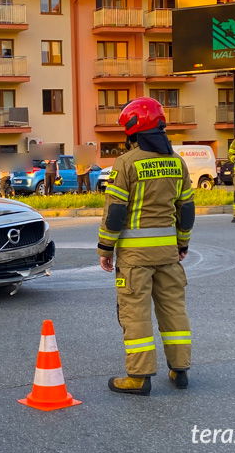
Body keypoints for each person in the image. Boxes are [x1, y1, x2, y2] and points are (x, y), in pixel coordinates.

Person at [97, 96, 195, 396]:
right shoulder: (177, 162)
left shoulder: (127, 163)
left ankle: (139, 378)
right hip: (168, 253)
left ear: (134, 130)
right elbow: (186, 209)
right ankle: (179, 369)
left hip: (135, 258)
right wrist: (182, 243)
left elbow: (115, 212)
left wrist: (105, 248)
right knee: (174, 310)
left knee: (135, 314)